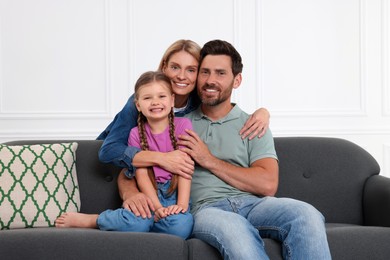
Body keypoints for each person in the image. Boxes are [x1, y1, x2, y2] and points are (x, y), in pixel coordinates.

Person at [175, 40, 331, 259]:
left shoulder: (253, 124)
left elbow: (267, 184)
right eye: (205, 72)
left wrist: (208, 159)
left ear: (236, 80)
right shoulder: (178, 125)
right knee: (235, 228)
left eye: (220, 73)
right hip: (206, 210)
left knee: (306, 214)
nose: (210, 80)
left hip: (254, 205)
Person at [98, 39, 271, 218]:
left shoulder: (197, 103)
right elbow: (109, 151)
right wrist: (162, 160)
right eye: (175, 67)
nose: (181, 76)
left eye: (191, 70)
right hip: (118, 165)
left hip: (159, 180)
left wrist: (263, 112)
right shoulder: (144, 100)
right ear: (164, 67)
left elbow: (222, 106)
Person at [55, 71, 193, 239]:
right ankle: (96, 220)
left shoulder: (184, 125)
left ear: (172, 100)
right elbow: (141, 174)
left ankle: (147, 225)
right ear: (138, 105)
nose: (155, 102)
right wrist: (157, 208)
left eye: (161, 96)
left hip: (175, 196)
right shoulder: (135, 133)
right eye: (147, 98)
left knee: (181, 226)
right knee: (139, 221)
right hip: (149, 194)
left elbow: (185, 170)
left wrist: (181, 206)